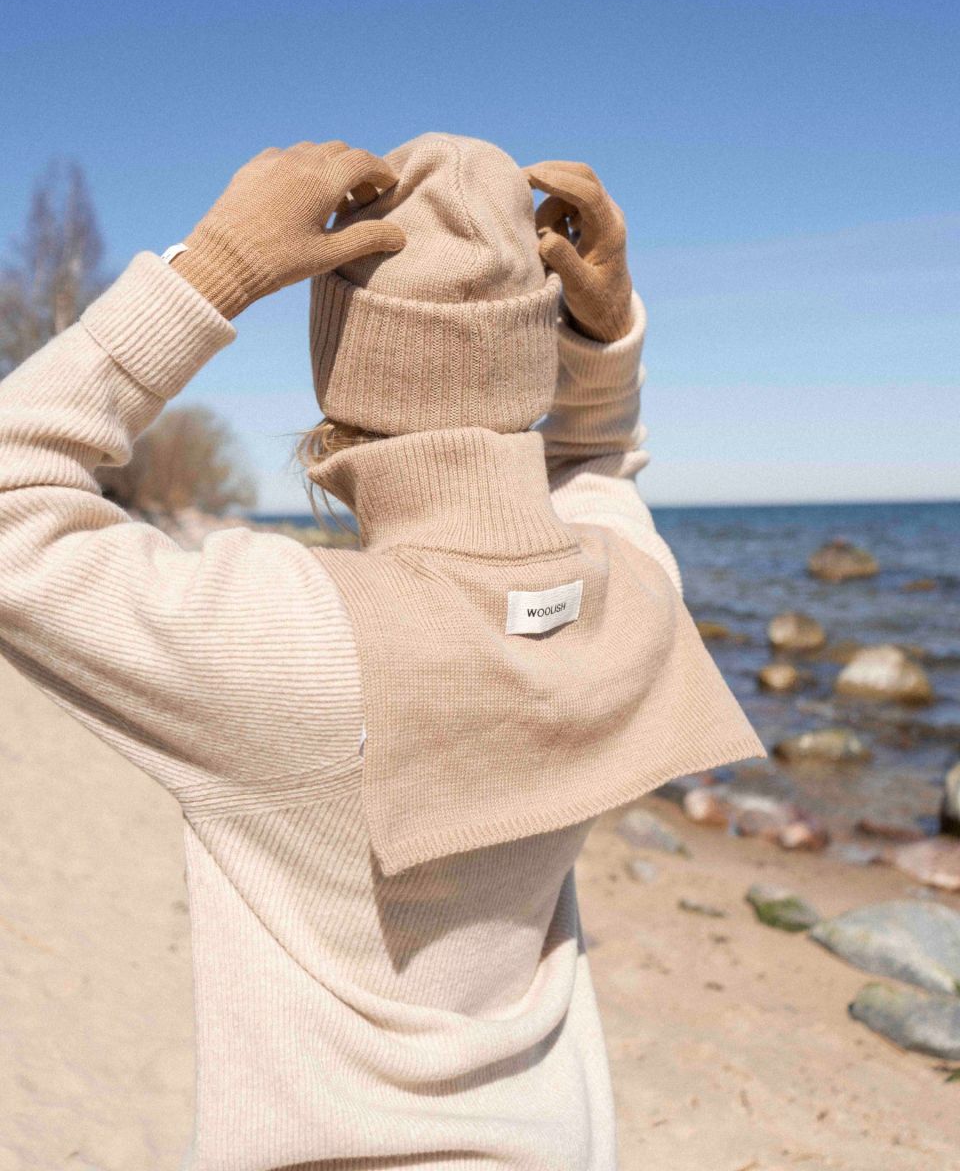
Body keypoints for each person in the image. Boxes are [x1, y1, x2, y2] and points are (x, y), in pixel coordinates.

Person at [0, 133, 765, 1170]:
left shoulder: (287, 636)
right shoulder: (629, 600)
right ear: (526, 364)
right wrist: (607, 338)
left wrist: (215, 271)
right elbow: (600, 469)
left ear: (340, 387)